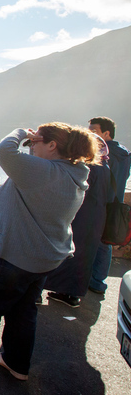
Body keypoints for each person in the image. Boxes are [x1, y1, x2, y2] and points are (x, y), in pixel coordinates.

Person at [0, 123, 98, 381]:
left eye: (35, 142)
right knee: (22, 309)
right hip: (42, 258)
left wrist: (20, 132)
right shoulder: (73, 174)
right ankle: (15, 361)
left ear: (52, 145)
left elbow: (5, 151)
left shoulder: (45, 171)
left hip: (13, 255)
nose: (31, 147)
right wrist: (34, 141)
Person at [43, 135, 112, 307]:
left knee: (69, 253)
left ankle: (60, 291)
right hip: (96, 216)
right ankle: (72, 294)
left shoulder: (88, 168)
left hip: (81, 215)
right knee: (84, 257)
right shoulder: (105, 165)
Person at [87, 116, 131, 295]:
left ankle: (91, 282)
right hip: (115, 203)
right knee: (105, 243)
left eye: (94, 131)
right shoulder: (124, 153)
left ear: (106, 133)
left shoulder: (104, 154)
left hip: (100, 203)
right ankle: (98, 282)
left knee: (93, 243)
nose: (90, 134)